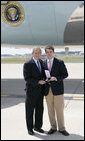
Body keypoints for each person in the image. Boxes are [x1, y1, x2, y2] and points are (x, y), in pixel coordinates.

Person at [44, 45, 69, 136]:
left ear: (53, 52)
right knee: (50, 110)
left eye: (50, 52)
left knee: (59, 110)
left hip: (58, 90)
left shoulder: (59, 62)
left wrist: (56, 78)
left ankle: (62, 128)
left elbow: (65, 74)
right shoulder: (43, 63)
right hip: (48, 90)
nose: (49, 54)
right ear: (45, 53)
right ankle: (53, 127)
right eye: (47, 52)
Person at [23, 47, 46, 135]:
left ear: (40, 54)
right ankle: (30, 128)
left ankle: (37, 126)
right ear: (32, 53)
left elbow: (43, 74)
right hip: (31, 91)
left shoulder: (41, 62)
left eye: (39, 53)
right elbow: (27, 78)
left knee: (40, 110)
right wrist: (38, 82)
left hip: (40, 91)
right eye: (35, 53)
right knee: (29, 111)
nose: (37, 54)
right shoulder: (27, 64)